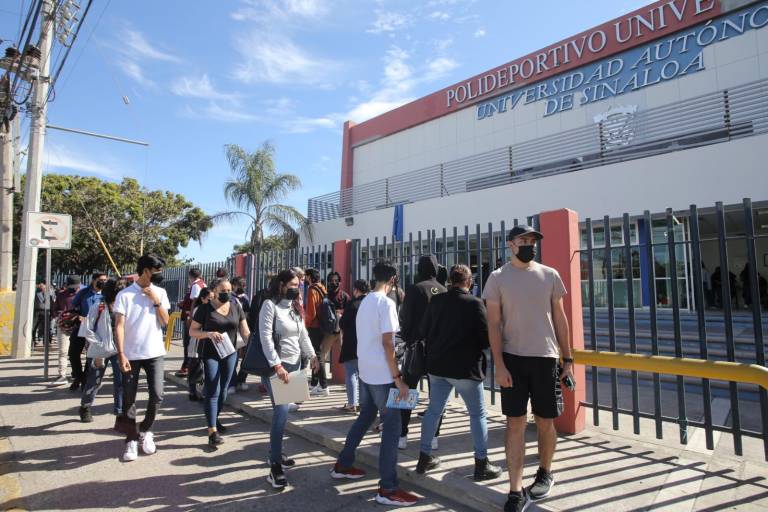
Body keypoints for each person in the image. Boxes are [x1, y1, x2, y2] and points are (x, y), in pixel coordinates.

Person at [483, 225, 573, 511]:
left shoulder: (550, 275)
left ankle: (545, 472)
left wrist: (567, 360)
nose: (529, 244)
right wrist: (498, 365)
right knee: (515, 424)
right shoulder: (497, 278)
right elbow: (494, 325)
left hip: (546, 359)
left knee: (546, 422)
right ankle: (514, 489)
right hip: (512, 359)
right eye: (523, 240)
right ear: (511, 244)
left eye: (532, 240)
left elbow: (560, 318)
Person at [330, 261, 419, 507]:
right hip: (383, 376)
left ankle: (343, 463)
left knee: (365, 418)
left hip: (367, 372)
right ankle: (388, 488)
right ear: (392, 279)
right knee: (391, 430)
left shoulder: (366, 301)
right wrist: (398, 379)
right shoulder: (386, 303)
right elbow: (388, 343)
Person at [415, 264, 502, 481]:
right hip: (465, 369)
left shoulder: (436, 301)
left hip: (437, 367)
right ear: (469, 282)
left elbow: (423, 331)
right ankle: (481, 464)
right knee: (477, 414)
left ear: (450, 281)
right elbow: (485, 339)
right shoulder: (475, 303)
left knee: (433, 411)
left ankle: (424, 457)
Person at [259, 269, 319, 489]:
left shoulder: (294, 307)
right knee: (281, 412)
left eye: (299, 283)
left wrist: (312, 356)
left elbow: (302, 333)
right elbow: (265, 337)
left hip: (294, 366)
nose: (298, 287)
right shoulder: (269, 306)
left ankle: (275, 453)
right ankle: (275, 466)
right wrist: (276, 365)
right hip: (277, 367)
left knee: (283, 414)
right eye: (293, 284)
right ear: (282, 284)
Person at [114, 254, 171, 462]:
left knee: (157, 395)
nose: (159, 275)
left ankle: (146, 430)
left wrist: (155, 301)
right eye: (156, 271)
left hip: (155, 353)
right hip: (131, 354)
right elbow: (118, 325)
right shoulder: (125, 295)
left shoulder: (161, 293)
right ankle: (131, 438)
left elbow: (165, 322)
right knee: (129, 398)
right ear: (145, 271)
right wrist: (121, 354)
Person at [189, 278, 250, 449]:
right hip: (210, 354)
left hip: (230, 353)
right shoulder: (204, 309)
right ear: (214, 290)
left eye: (229, 290)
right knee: (213, 389)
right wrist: (208, 334)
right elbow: (193, 331)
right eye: (223, 290)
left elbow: (244, 330)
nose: (227, 293)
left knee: (224, 390)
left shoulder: (236, 305)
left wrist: (252, 346)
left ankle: (214, 418)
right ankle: (212, 431)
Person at [398, 255, 446, 450]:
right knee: (437, 395)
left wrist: (409, 340)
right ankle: (433, 436)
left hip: (416, 347)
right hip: (438, 350)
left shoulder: (415, 288)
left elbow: (405, 318)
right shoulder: (444, 289)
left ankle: (402, 434)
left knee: (407, 391)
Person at [79, 278, 128, 423]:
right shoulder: (99, 306)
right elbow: (86, 329)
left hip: (120, 349)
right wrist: (99, 348)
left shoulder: (125, 307)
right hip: (101, 350)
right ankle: (85, 406)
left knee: (121, 382)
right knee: (95, 381)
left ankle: (120, 413)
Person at [311, 271, 350, 396]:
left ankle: (352, 383)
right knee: (321, 357)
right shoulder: (325, 296)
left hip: (342, 331)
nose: (333, 283)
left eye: (335, 280)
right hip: (329, 333)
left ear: (340, 281)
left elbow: (351, 311)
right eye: (331, 280)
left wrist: (340, 312)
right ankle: (318, 383)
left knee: (348, 358)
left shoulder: (344, 296)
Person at [70, 272, 108, 391]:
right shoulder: (83, 293)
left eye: (105, 280)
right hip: (81, 327)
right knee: (73, 353)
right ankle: (78, 376)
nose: (103, 282)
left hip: (96, 330)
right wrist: (78, 316)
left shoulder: (106, 294)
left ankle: (85, 379)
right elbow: (73, 307)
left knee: (90, 356)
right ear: (93, 280)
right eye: (101, 280)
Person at [338, 279, 369, 412]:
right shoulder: (370, 303)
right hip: (367, 343)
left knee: (351, 372)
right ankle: (363, 403)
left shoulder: (353, 304)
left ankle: (352, 403)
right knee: (363, 375)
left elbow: (343, 324)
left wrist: (340, 317)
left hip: (351, 342)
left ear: (356, 290)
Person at [50, 277, 81, 386]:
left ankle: (77, 373)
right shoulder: (61, 295)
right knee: (63, 351)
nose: (75, 289)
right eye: (72, 287)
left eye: (76, 287)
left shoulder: (82, 294)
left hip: (78, 326)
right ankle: (62, 375)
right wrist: (60, 315)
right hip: (64, 327)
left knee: (77, 353)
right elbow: (54, 309)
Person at [177, 268, 206, 377]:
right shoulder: (203, 283)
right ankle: (190, 366)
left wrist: (190, 316)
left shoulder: (195, 285)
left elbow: (194, 301)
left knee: (188, 343)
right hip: (198, 317)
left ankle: (186, 367)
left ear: (190, 276)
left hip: (192, 317)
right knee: (192, 343)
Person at [305, 268, 330, 395]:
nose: (305, 278)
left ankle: (324, 386)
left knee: (316, 355)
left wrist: (305, 324)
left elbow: (311, 312)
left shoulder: (311, 290)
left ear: (309, 277)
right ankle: (314, 383)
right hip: (323, 325)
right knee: (317, 353)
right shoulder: (322, 287)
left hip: (314, 326)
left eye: (306, 276)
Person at [187, 287, 212, 401]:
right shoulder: (199, 309)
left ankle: (201, 391)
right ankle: (193, 391)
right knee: (195, 366)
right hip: (197, 342)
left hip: (206, 341)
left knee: (203, 368)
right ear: (202, 299)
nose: (212, 300)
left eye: (213, 298)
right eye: (209, 298)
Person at [32, 281, 53, 347]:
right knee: (34, 328)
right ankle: (33, 341)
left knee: (46, 328)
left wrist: (52, 313)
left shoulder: (49, 295)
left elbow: (51, 304)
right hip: (37, 312)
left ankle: (46, 342)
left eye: (43, 287)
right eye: (41, 287)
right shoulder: (35, 294)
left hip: (46, 313)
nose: (42, 288)